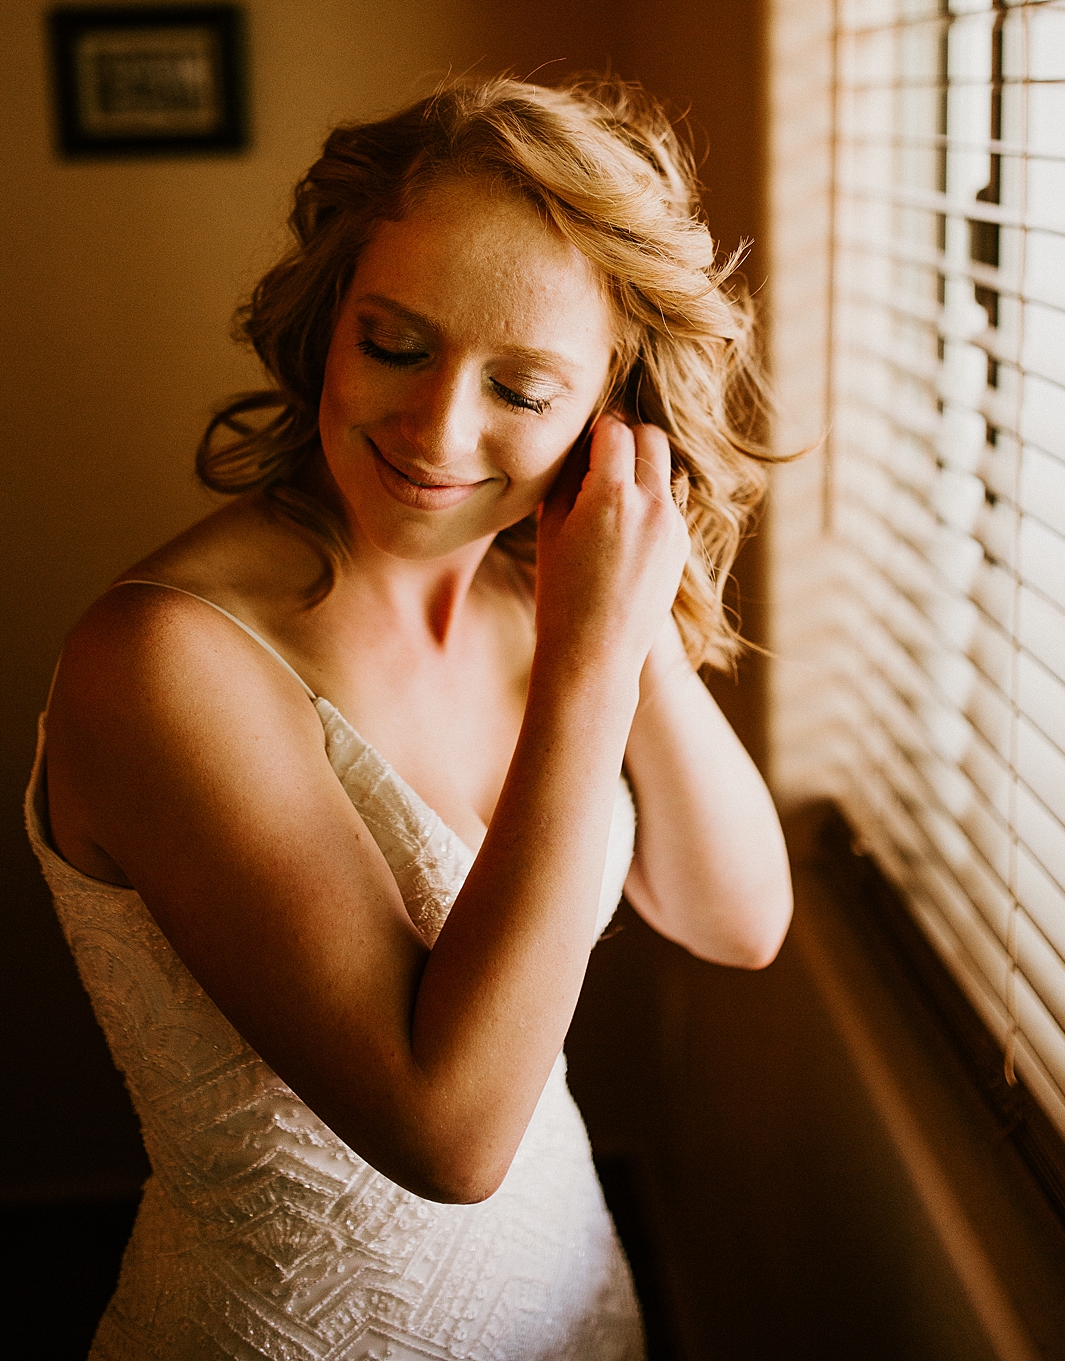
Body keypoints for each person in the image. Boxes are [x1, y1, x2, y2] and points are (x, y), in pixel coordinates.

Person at [26, 74, 794, 1361]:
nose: (439, 431)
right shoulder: (163, 664)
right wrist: (589, 668)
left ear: (611, 414)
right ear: (329, 322)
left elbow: (739, 919)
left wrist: (622, 616)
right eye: (396, 345)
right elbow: (448, 1135)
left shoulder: (541, 595)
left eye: (525, 390)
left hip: (570, 1299)